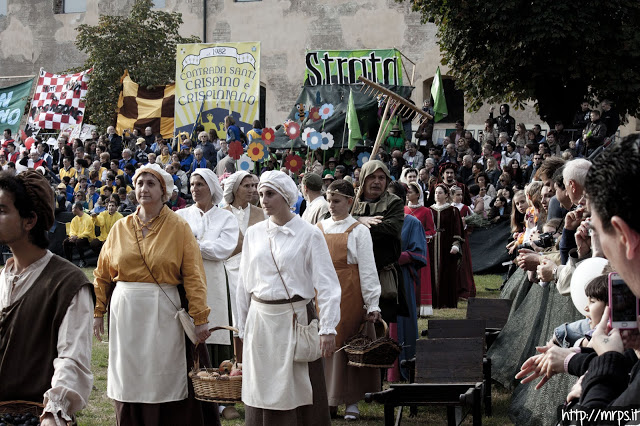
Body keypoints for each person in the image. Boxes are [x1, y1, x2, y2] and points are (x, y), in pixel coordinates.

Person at [93, 163, 214, 426]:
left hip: (163, 311)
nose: (144, 189)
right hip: (125, 311)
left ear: (164, 190)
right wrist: (98, 311)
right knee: (128, 374)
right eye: (139, 183)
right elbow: (102, 272)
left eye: (151, 183)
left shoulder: (178, 227)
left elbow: (194, 275)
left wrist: (200, 317)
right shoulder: (120, 227)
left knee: (162, 374)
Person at [236, 170, 341, 425]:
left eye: (269, 194)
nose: (263, 199)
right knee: (262, 384)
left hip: (294, 318)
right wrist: (242, 325)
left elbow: (327, 284)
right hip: (260, 319)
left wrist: (327, 328)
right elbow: (244, 283)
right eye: (260, 194)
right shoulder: (254, 233)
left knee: (296, 384)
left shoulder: (309, 233)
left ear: (285, 196)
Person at [0, 170, 94, 426]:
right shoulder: (4, 277)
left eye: (2, 210)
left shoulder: (68, 283)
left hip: (37, 416)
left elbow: (71, 358)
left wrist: (54, 412)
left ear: (29, 220)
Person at [318, 180, 381, 421]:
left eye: (336, 201)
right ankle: (328, 400)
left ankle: (351, 401)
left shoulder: (359, 231)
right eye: (329, 201)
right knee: (324, 345)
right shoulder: (319, 228)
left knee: (347, 345)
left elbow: (367, 268)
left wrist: (372, 302)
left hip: (350, 292)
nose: (331, 205)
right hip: (322, 292)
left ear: (349, 202)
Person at [176, 168, 238, 364]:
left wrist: (192, 245)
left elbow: (223, 249)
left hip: (214, 278)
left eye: (200, 184)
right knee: (187, 327)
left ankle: (215, 377)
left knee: (216, 325)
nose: (195, 188)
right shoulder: (182, 215)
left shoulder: (226, 217)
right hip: (186, 278)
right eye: (193, 184)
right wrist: (199, 246)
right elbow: (176, 245)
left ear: (211, 188)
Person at [351, 160, 407, 324]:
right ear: (363, 179)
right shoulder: (350, 200)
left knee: (379, 327)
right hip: (352, 274)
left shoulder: (394, 202)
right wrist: (358, 219)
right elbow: (331, 220)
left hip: (381, 274)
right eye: (372, 177)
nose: (377, 181)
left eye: (381, 177)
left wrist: (353, 226)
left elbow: (392, 228)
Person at [221, 171, 265, 362]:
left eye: (254, 186)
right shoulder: (222, 214)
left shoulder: (261, 213)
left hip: (256, 273)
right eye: (246, 186)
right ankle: (236, 361)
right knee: (233, 316)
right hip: (228, 274)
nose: (252, 190)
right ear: (235, 189)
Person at [428, 184, 464, 309]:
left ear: (446, 195)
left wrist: (456, 244)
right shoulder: (429, 210)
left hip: (447, 245)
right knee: (431, 272)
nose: (437, 195)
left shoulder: (453, 211)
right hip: (431, 245)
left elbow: (457, 229)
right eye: (436, 193)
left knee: (447, 272)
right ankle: (432, 301)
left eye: (440, 193)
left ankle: (446, 302)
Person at [405, 181, 435, 316]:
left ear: (418, 194)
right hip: (405, 249)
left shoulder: (425, 211)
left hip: (419, 248)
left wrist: (420, 235)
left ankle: (421, 308)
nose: (407, 194)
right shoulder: (403, 210)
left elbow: (432, 231)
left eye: (410, 191)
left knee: (420, 276)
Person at [62, 201, 95, 268]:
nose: (72, 210)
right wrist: (72, 236)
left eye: (73, 208)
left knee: (78, 242)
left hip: (87, 238)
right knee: (66, 242)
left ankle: (83, 260)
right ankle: (69, 261)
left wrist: (77, 237)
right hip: (76, 237)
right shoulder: (74, 219)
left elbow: (88, 232)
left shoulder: (88, 218)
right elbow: (71, 230)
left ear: (77, 209)